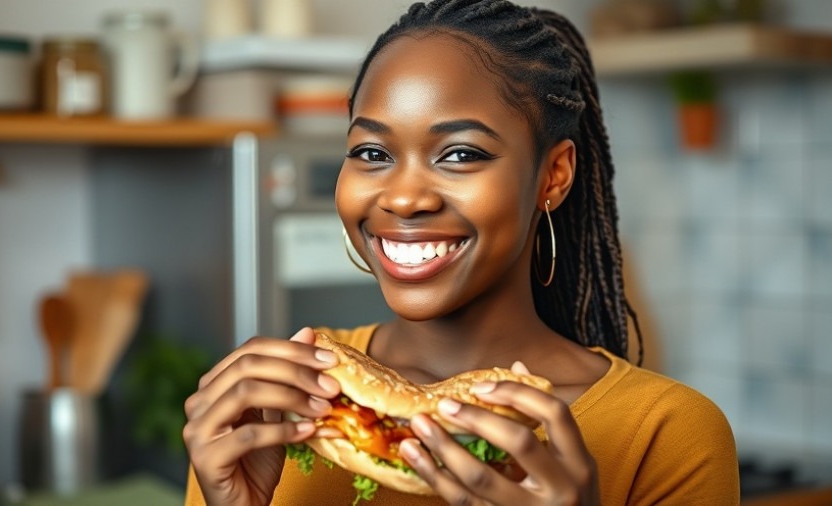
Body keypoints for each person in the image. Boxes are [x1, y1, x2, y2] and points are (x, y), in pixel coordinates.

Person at [182, 1, 740, 504]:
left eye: (460, 154)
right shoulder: (276, 405)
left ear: (554, 174)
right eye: (372, 151)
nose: (402, 197)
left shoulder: (666, 433)